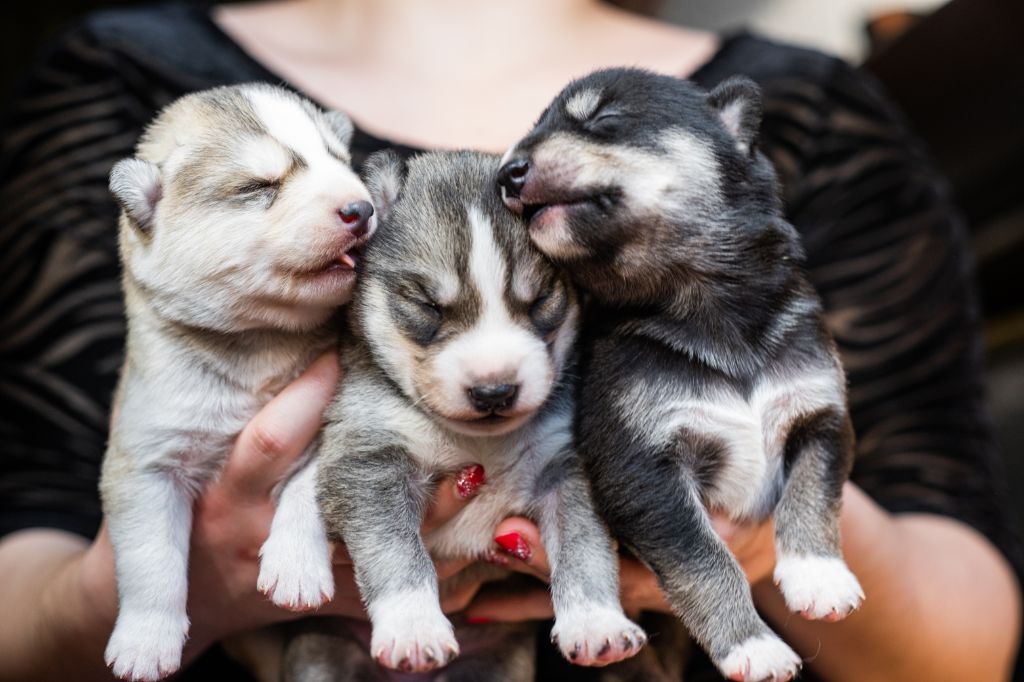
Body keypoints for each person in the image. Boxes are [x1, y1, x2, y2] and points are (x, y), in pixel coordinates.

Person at [0, 1, 1019, 680]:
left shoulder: (813, 115)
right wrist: (164, 588)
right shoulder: (136, 92)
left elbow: (965, 646)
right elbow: (25, 569)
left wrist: (771, 532)